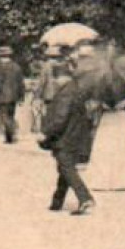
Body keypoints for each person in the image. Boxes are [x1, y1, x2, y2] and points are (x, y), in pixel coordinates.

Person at [41, 56, 96, 215]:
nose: (54, 82)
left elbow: (60, 119)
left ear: (61, 78)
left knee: (66, 168)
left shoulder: (65, 93)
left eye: (55, 79)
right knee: (64, 168)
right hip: (75, 136)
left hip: (65, 138)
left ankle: (85, 198)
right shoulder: (75, 89)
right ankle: (56, 202)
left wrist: (46, 133)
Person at [0, 47, 25, 144]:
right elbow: (21, 83)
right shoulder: (16, 67)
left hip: (2, 95)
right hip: (14, 96)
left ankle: (10, 136)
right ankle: (10, 135)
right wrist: (21, 96)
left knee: (4, 116)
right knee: (11, 115)